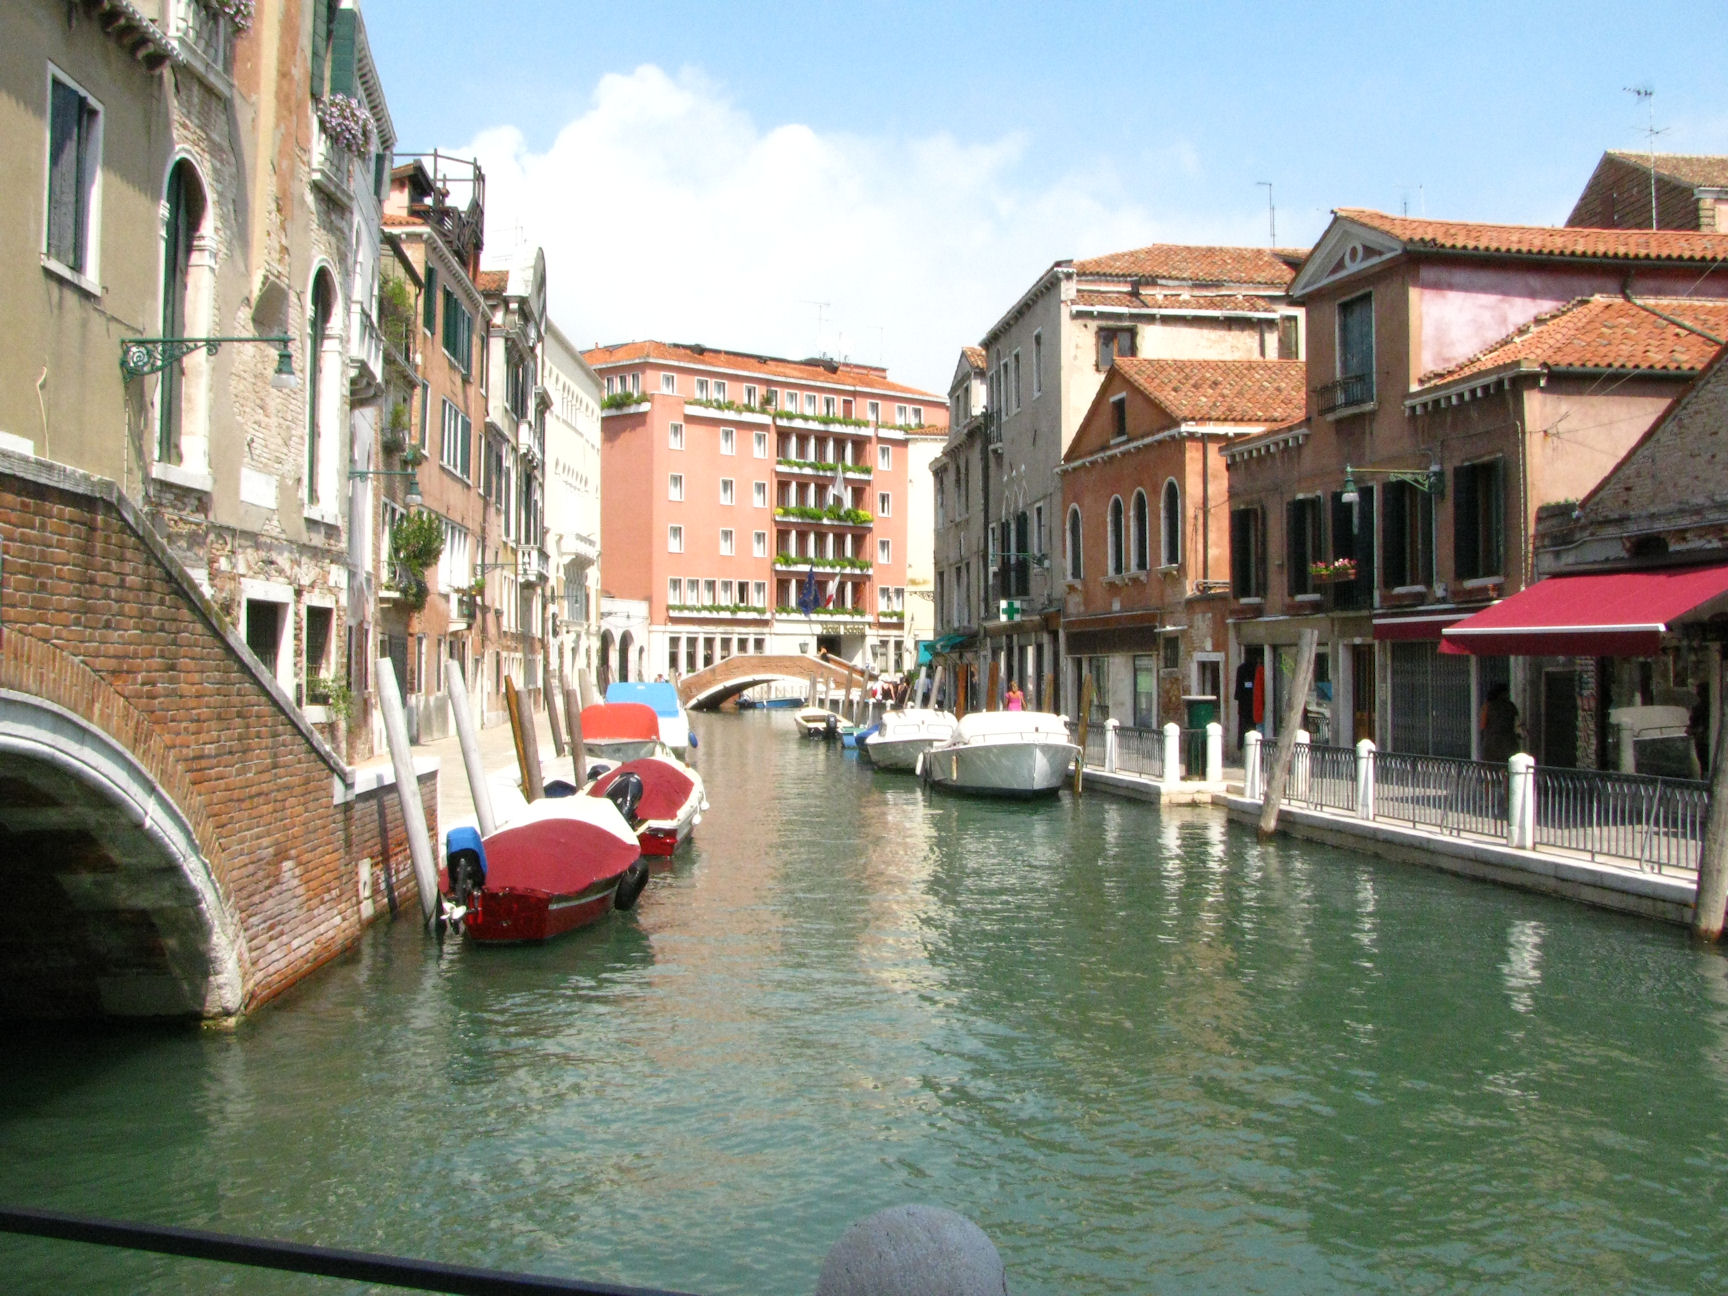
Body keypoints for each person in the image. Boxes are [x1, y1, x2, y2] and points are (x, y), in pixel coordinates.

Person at [1479, 683, 1520, 764]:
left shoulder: (1487, 706)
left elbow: (1483, 726)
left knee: (1492, 768)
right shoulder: (1510, 706)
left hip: (1491, 746)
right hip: (1509, 744)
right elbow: (1518, 725)